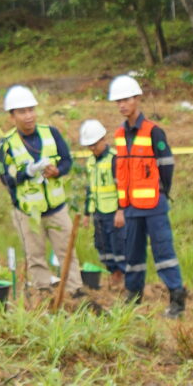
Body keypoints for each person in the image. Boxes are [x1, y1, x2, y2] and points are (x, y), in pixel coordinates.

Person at [0, 86, 83, 297]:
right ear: (12, 116)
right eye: (22, 112)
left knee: (67, 251)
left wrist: (57, 171)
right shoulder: (4, 145)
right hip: (27, 212)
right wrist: (26, 172)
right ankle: (43, 292)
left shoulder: (50, 133)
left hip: (56, 208)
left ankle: (75, 290)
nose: (28, 116)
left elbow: (67, 161)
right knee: (35, 255)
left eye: (31, 110)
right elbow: (5, 179)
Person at [110, 74, 186, 317]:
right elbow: (119, 173)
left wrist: (161, 191)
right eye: (118, 101)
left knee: (163, 252)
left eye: (126, 99)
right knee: (132, 254)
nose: (122, 105)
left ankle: (176, 297)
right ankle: (133, 296)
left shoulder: (154, 131)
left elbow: (166, 166)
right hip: (130, 207)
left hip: (154, 204)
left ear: (137, 99)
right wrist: (121, 206)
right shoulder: (119, 135)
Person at [75, 117, 122, 286]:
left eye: (95, 144)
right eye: (89, 146)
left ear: (103, 139)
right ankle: (112, 271)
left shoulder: (114, 159)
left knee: (118, 246)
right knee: (102, 246)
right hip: (98, 212)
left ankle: (121, 276)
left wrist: (121, 210)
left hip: (113, 212)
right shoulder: (90, 162)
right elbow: (91, 189)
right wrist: (87, 213)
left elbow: (122, 187)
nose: (92, 149)